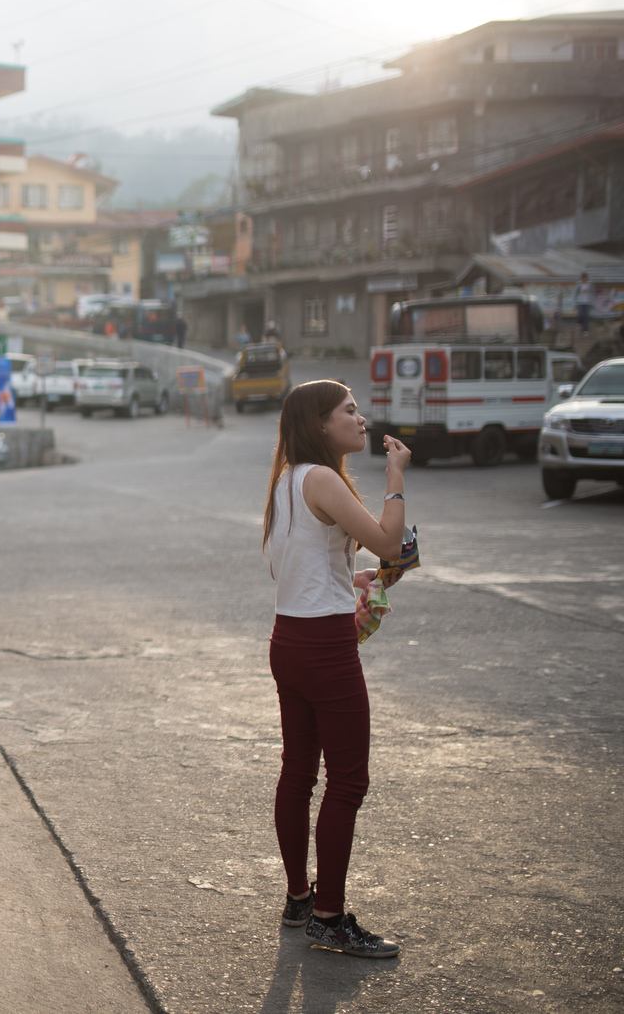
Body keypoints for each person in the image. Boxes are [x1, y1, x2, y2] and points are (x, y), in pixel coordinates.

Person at [263, 379, 410, 959]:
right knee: (348, 781)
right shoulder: (323, 477)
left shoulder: (288, 480)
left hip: (290, 638)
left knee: (298, 772)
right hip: (325, 648)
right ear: (320, 424)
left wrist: (347, 579)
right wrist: (396, 474)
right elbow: (392, 546)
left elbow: (293, 568)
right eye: (349, 410)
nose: (361, 418)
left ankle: (301, 898)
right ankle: (329, 917)